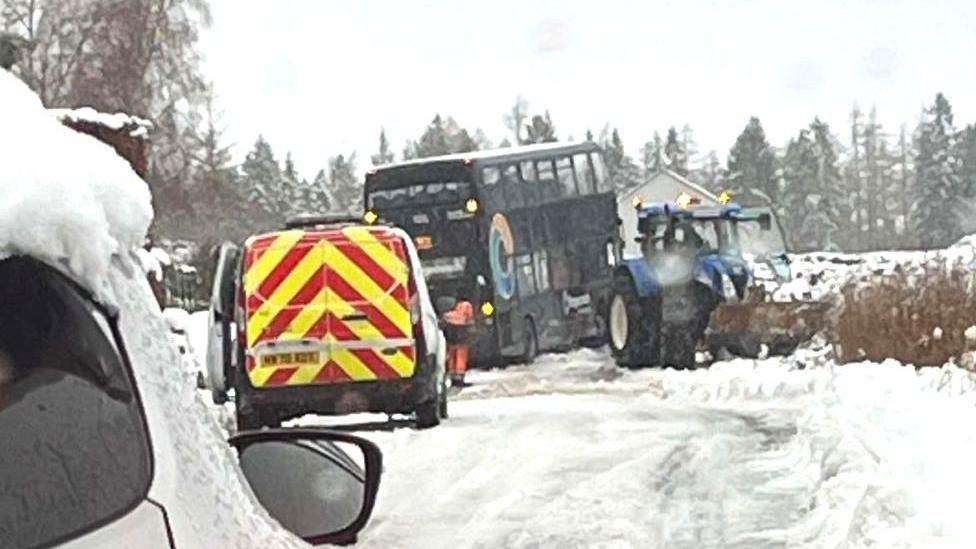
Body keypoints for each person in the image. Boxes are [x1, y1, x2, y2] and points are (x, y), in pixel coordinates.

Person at [442, 297, 475, 387]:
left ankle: (453, 377)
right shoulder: (467, 305)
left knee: (452, 355)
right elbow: (469, 320)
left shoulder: (450, 311)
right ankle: (459, 378)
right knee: (461, 355)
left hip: (451, 335)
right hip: (461, 335)